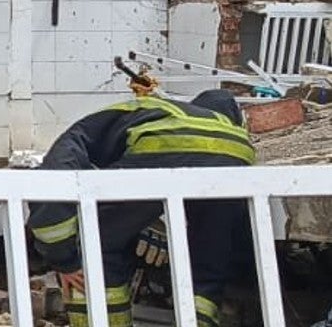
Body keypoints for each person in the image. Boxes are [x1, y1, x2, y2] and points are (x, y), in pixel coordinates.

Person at [27, 89, 255, 327]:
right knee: (209, 262)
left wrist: (64, 259)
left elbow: (56, 176)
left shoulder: (145, 111)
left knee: (97, 243)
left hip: (166, 143)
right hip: (239, 156)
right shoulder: (230, 128)